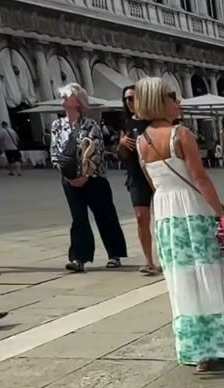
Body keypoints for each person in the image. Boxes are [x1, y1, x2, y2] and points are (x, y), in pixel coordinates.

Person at [127, 78, 224, 373]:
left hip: (166, 215)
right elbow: (200, 179)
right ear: (160, 101)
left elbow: (153, 184)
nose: (179, 102)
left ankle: (197, 348)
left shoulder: (141, 141)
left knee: (181, 279)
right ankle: (221, 342)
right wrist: (221, 213)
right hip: (192, 209)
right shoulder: (181, 134)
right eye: (173, 97)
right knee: (209, 272)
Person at [50, 82, 128, 273]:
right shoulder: (57, 125)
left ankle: (115, 254)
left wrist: (85, 175)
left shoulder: (90, 124)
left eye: (68, 95)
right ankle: (79, 258)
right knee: (78, 218)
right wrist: (67, 175)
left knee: (105, 215)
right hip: (69, 179)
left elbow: (97, 151)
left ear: (78, 101)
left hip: (94, 178)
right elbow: (54, 152)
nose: (63, 97)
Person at [117, 86, 159, 274]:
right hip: (136, 175)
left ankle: (169, 255)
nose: (129, 102)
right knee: (142, 218)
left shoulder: (153, 121)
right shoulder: (126, 123)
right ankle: (149, 261)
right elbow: (122, 155)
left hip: (155, 172)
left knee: (163, 216)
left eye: (132, 98)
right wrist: (121, 144)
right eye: (126, 99)